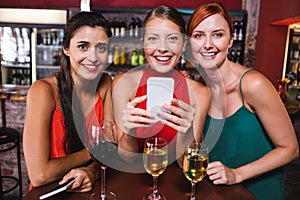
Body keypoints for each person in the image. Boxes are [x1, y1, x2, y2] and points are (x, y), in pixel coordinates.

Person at [187, 2, 299, 199]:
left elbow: (290, 149)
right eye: (198, 35)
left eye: (218, 34)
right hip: (218, 193)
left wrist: (236, 174)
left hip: (260, 193)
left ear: (231, 40)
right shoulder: (199, 88)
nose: (207, 44)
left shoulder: (253, 85)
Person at [23, 11, 114, 192]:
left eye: (101, 48)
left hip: (88, 190)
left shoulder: (105, 83)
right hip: (49, 192)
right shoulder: (43, 91)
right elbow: (40, 174)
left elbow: (110, 146)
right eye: (83, 46)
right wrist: (90, 152)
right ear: (66, 48)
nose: (93, 57)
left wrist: (92, 171)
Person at [112, 5, 210, 165]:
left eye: (172, 38)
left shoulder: (199, 92)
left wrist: (186, 132)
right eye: (153, 39)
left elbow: (184, 164)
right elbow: (126, 158)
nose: (163, 48)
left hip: (177, 183)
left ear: (183, 44)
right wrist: (129, 132)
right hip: (134, 181)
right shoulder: (123, 83)